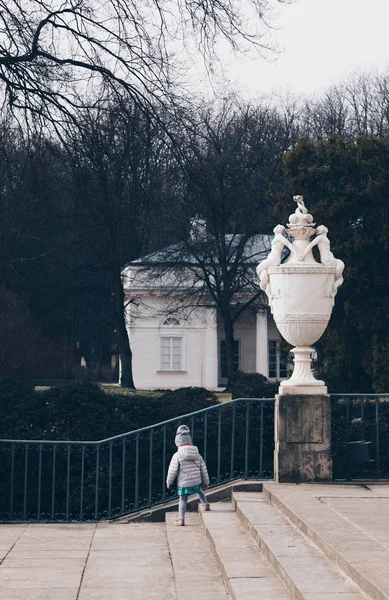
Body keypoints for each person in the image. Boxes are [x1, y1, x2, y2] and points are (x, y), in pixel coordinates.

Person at [166, 424, 210, 526]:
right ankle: (206, 504)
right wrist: (206, 482)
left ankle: (181, 520)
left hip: (184, 484)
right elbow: (204, 469)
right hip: (196, 482)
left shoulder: (177, 455)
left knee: (183, 499)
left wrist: (169, 482)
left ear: (178, 443)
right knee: (199, 491)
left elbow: (172, 471)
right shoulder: (197, 454)